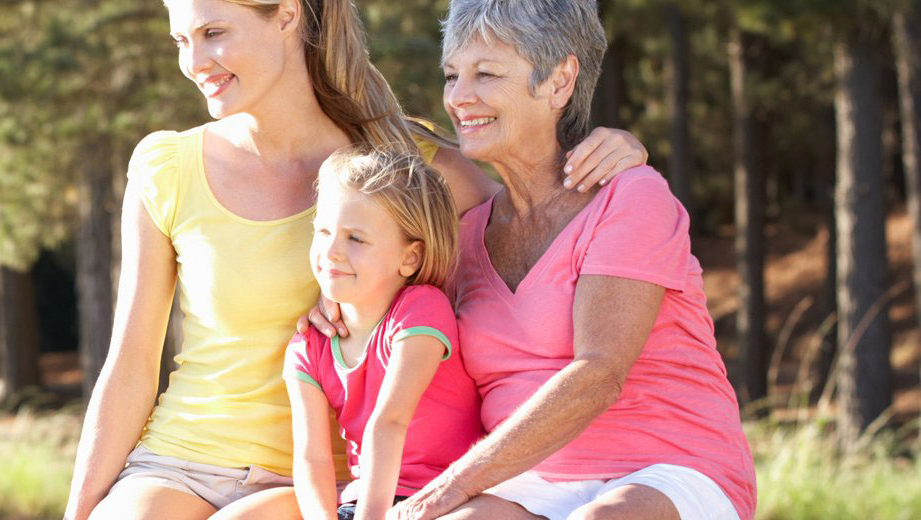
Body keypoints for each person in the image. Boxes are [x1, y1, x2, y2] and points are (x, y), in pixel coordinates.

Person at [62, 0, 648, 519]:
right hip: (181, 458)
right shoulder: (166, 166)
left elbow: (540, 224)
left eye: (213, 31)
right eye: (181, 41)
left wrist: (621, 152)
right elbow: (131, 367)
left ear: (288, 14)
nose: (195, 62)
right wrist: (79, 510)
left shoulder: (408, 165)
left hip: (337, 481)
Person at [390, 1, 757, 519]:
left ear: (559, 81)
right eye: (452, 75)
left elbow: (599, 373)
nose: (459, 97)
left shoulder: (629, 196)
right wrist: (332, 311)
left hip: (669, 466)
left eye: (487, 73)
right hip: (531, 481)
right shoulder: (465, 233)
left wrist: (452, 484)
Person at [283, 149, 483, 520]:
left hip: (445, 496)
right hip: (363, 502)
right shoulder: (306, 347)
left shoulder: (421, 310)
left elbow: (389, 421)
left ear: (409, 258)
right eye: (323, 231)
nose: (331, 251)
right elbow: (312, 458)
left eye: (355, 239)